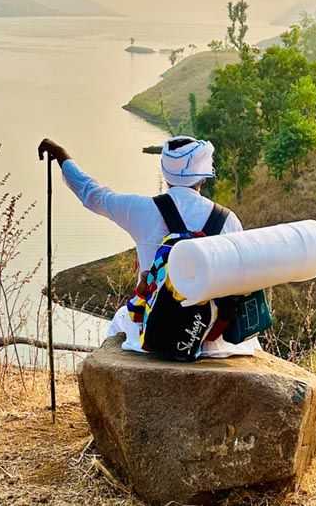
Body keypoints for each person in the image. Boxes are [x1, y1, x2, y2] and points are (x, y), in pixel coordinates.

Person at [37, 135, 260, 358]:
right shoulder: (228, 220)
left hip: (156, 333)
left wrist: (62, 156)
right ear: (203, 177)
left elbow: (92, 194)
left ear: (165, 173)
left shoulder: (141, 210)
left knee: (119, 322)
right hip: (213, 340)